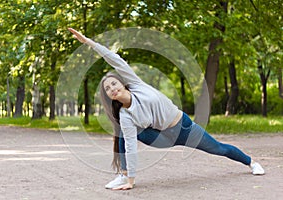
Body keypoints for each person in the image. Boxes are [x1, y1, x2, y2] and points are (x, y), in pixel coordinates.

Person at [68, 28, 265, 190]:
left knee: (218, 148)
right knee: (122, 134)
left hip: (184, 128)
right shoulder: (125, 115)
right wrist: (131, 181)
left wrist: (89, 43)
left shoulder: (136, 84)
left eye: (113, 83)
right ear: (109, 96)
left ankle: (251, 163)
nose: (112, 88)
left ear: (122, 82)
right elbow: (130, 146)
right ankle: (124, 175)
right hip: (161, 138)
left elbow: (114, 59)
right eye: (108, 89)